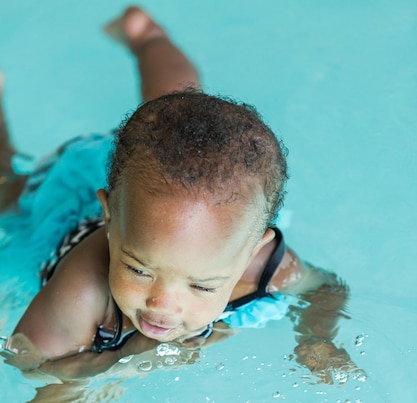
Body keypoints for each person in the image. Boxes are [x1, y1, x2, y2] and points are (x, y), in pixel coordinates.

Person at [0, 6, 356, 383]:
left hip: (167, 191)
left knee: (176, 111)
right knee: (6, 187)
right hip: (66, 206)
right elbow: (33, 367)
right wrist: (128, 356)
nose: (162, 305)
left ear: (253, 251)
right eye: (138, 270)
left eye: (203, 285)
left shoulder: (264, 267)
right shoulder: (82, 288)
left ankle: (147, 36)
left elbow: (325, 290)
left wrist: (318, 339)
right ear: (109, 217)